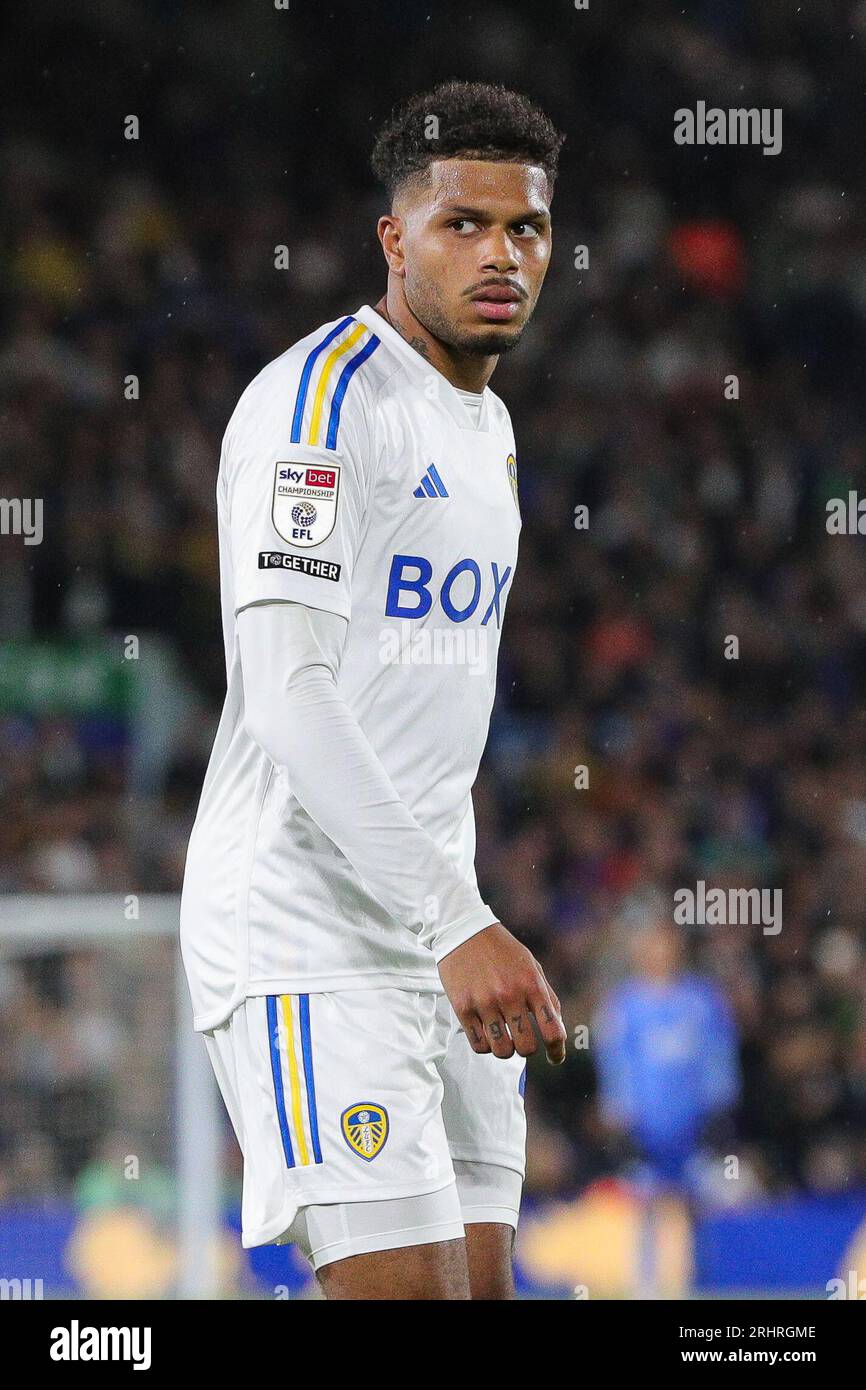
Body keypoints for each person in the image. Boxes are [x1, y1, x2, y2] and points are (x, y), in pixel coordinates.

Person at [180, 81, 568, 1300]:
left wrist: (448, 911)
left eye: (526, 228)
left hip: (421, 919)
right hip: (308, 931)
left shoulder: (486, 425)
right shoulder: (322, 406)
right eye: (463, 224)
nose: (500, 254)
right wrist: (458, 925)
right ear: (394, 240)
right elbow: (288, 692)